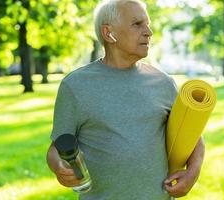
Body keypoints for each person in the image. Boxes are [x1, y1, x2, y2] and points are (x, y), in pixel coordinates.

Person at [46, 0, 205, 199]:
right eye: (137, 24)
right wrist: (59, 168)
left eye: (147, 24)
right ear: (108, 33)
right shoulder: (75, 86)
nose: (149, 32)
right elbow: (56, 148)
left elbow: (193, 135)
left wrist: (192, 173)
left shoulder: (163, 82)